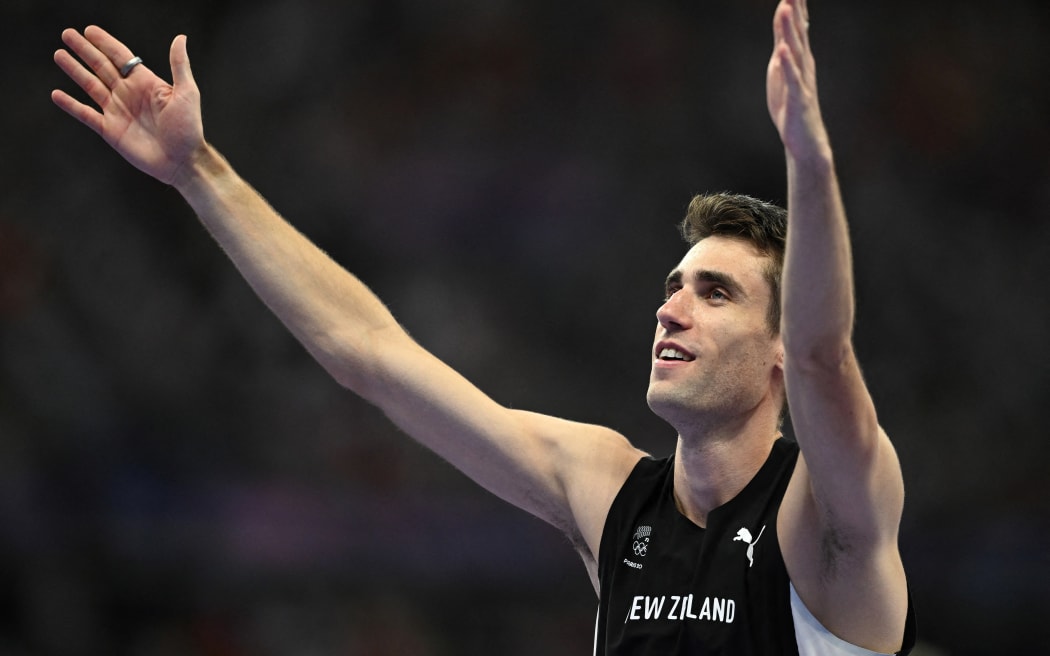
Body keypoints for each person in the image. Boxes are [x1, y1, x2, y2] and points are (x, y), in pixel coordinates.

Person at [51, 0, 915, 653]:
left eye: (716, 293)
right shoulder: (608, 490)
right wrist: (199, 171)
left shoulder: (828, 519)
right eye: (673, 285)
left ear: (773, 360)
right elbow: (372, 355)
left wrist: (808, 158)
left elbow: (821, 353)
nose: (671, 307)